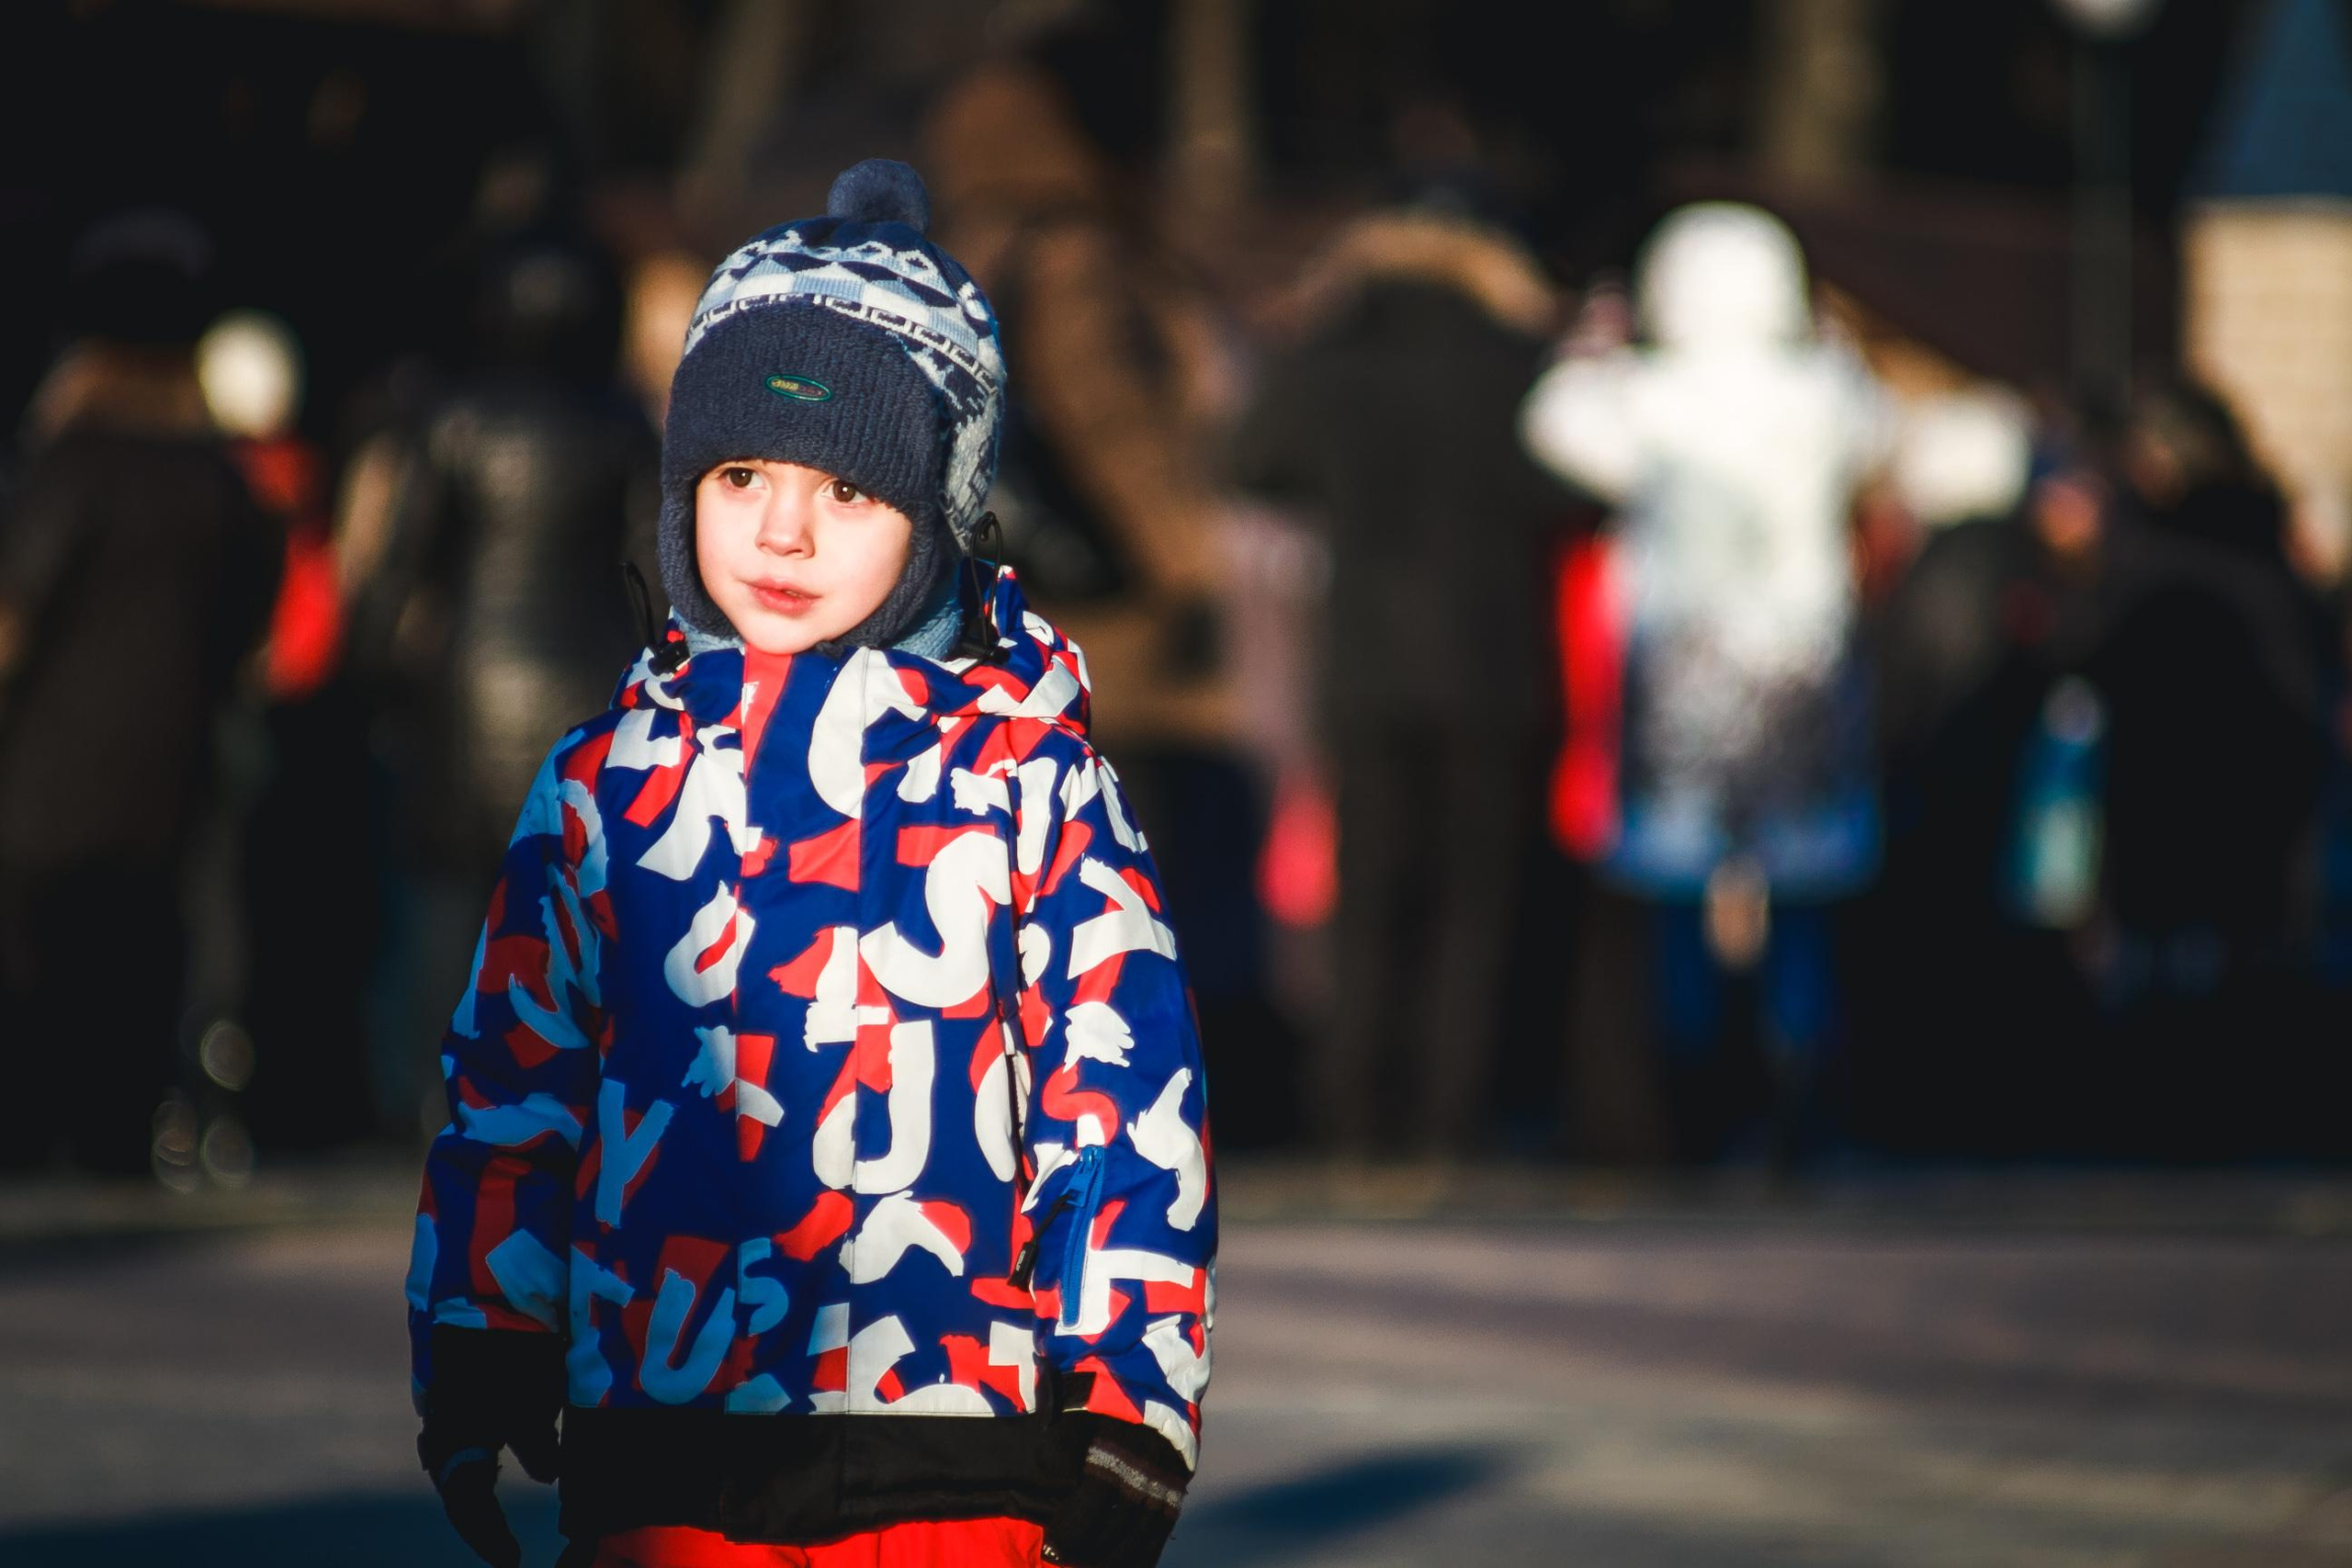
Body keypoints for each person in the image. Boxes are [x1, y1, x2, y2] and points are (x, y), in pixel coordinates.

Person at [405, 162, 1214, 1568]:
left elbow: (1123, 1098)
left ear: (942, 512)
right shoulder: (609, 784)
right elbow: (515, 1083)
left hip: (951, 1448)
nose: (782, 531)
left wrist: (1131, 1399)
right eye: (739, 476)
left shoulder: (1031, 780)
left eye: (847, 486)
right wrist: (485, 1323)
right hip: (663, 1439)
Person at [1228, 196, 1566, 1159]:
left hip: (1363, 661)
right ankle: (1446, 1120)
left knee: (1370, 894)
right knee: (1474, 899)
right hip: (1496, 660)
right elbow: (1563, 489)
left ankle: (1351, 1114)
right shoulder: (1512, 361)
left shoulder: (1329, 359)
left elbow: (1250, 463)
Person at [0, 209, 281, 1175]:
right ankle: (117, 1150)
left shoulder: (71, 465)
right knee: (139, 973)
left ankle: (44, 1153)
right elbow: (255, 633)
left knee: (43, 981)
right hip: (170, 776)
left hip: (48, 778)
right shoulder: (223, 480)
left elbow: (13, 615)